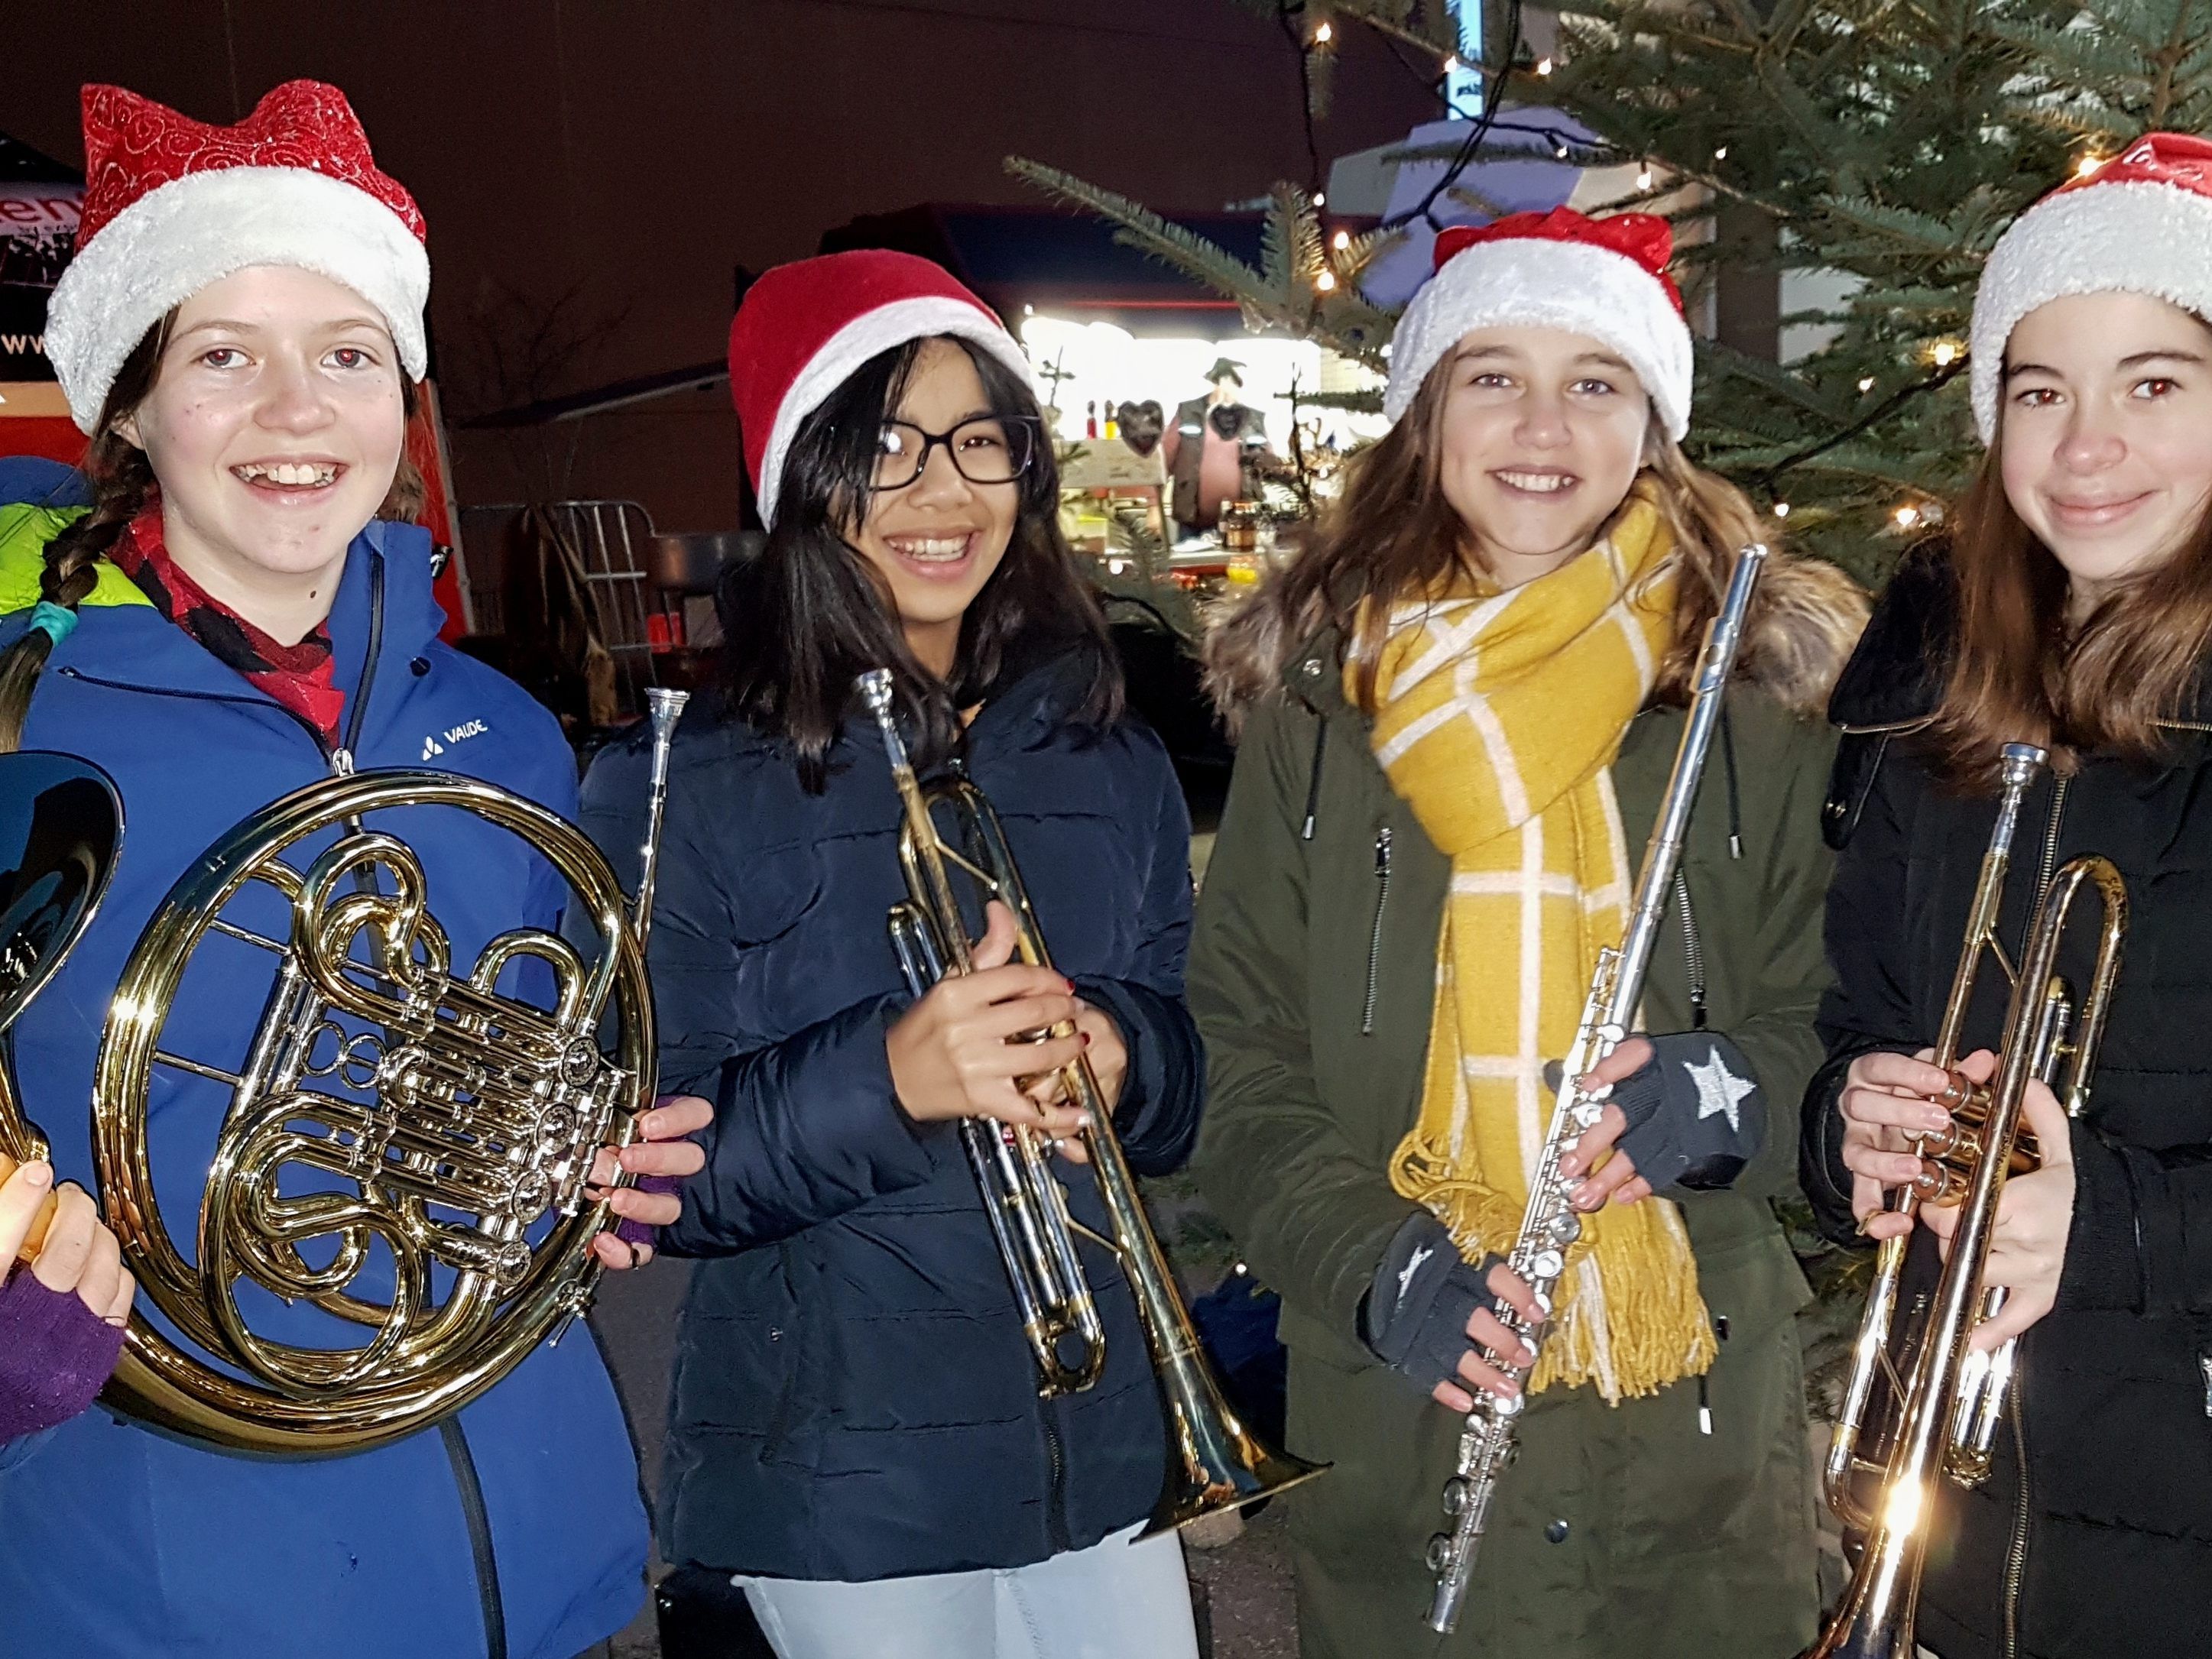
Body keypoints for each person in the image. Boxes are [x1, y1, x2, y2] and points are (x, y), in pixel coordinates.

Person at [0, 81, 708, 1659]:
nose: (296, 410)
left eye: (346, 353)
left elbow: (527, 1046)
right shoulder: (16, 730)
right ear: (128, 407)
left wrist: (568, 1163)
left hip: (547, 1548)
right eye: (223, 356)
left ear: (403, 394)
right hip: (177, 1587)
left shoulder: (505, 727)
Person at [1187, 207, 1866, 1659]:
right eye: (1492, 374)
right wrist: (1376, 1263)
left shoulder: (1751, 701)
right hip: (1406, 1413)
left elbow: (1847, 1028)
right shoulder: (1322, 707)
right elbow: (1237, 1058)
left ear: (1655, 421)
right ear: (1426, 413)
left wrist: (1729, 1093)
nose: (1542, 425)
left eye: (1596, 380)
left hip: (1689, 1439)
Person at [579, 249, 1205, 1659]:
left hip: (1097, 1450)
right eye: (883, 446)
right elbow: (644, 1173)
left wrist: (1127, 1055)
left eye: (981, 440)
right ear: (802, 483)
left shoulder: (1111, 755)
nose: (943, 490)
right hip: (835, 1486)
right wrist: (893, 1076)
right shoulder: (678, 778)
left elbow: (1186, 1062)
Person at [1808, 131, 2212, 1659]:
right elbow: (1858, 1012)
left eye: (2153, 380)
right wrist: (1850, 1109)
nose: (2085, 443)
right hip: (1977, 1535)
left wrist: (2107, 1224)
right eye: (2039, 389)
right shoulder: (1942, 719)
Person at [1166, 357, 1272, 536]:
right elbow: (1163, 461)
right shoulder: (1188, 413)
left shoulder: (1253, 419)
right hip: (1193, 523)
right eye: (1223, 380)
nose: (1227, 387)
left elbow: (1270, 465)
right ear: (1214, 382)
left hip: (1242, 524)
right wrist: (1153, 506)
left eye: (1234, 382)